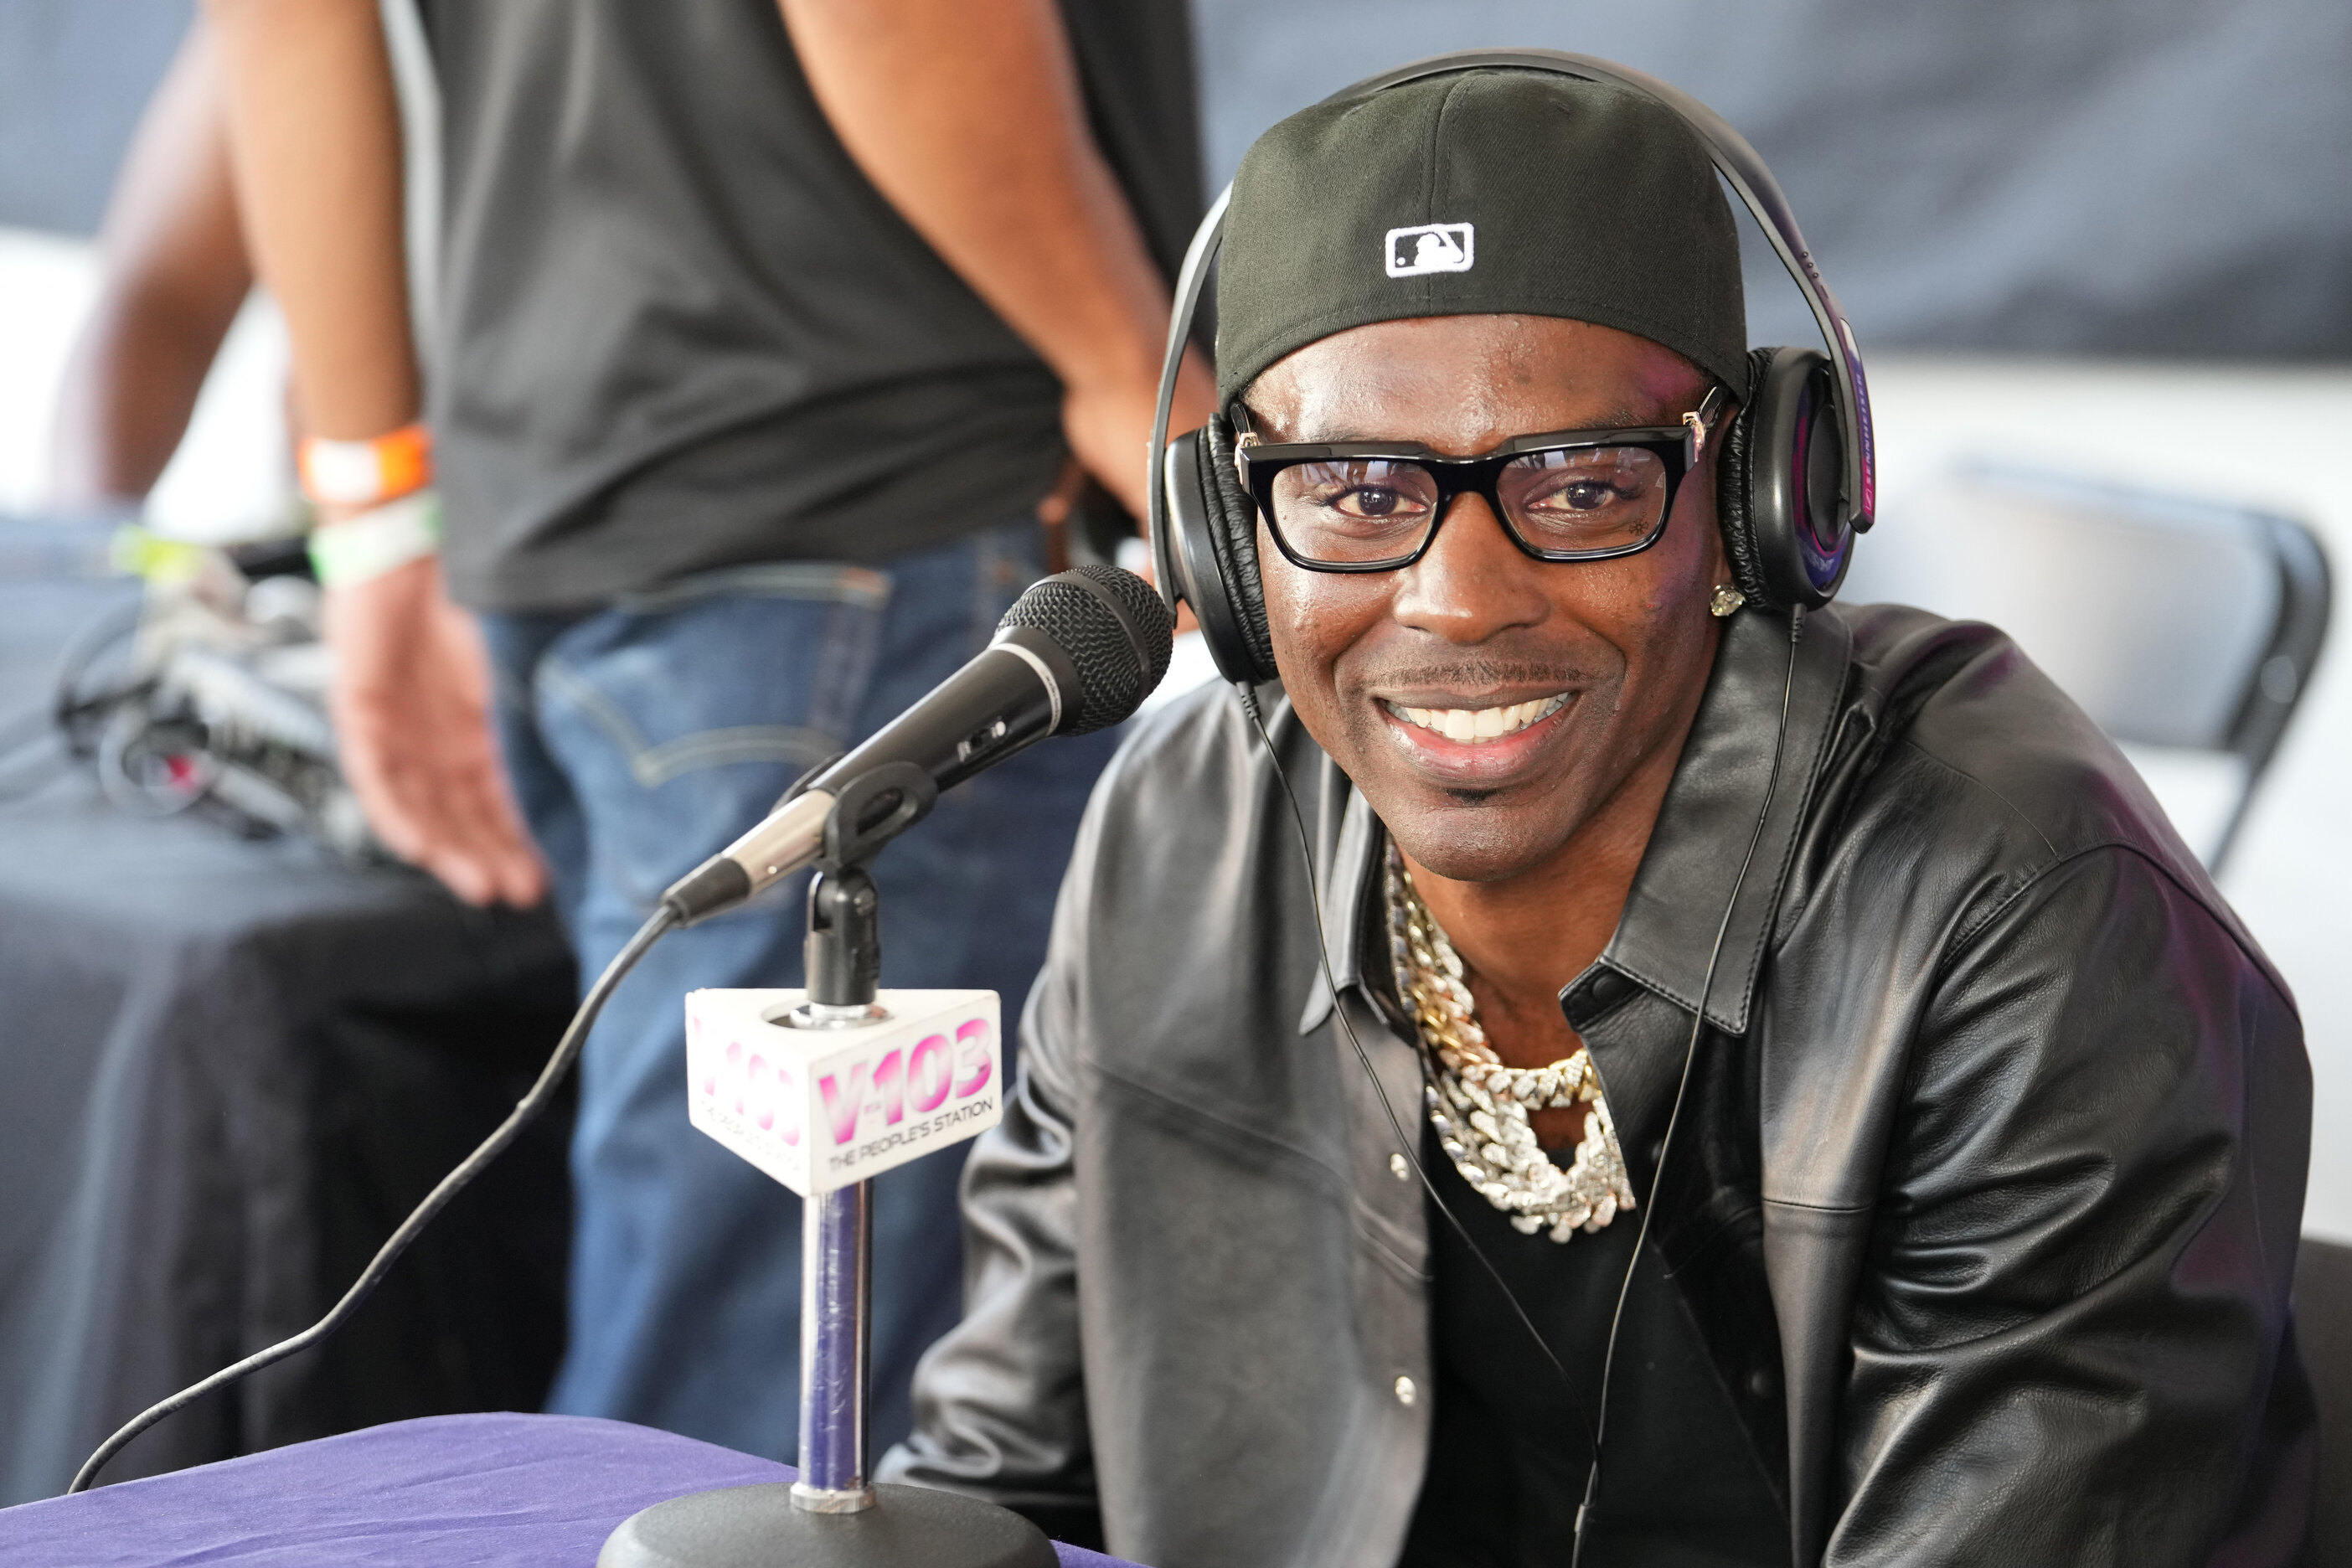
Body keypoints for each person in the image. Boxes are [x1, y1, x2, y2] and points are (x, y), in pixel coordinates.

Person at [880, 65, 2318, 1566]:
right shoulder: (1183, 830)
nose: (1459, 598)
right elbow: (998, 1497)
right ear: (1226, 547)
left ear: (1758, 499)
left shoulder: (2025, 919)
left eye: (1575, 488)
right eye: (1355, 492)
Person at [202, 0, 1211, 1459]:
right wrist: (1130, 364)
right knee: (761, 1439)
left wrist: (372, 508)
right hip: (866, 514)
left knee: (719, 1394)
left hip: (596, 511)